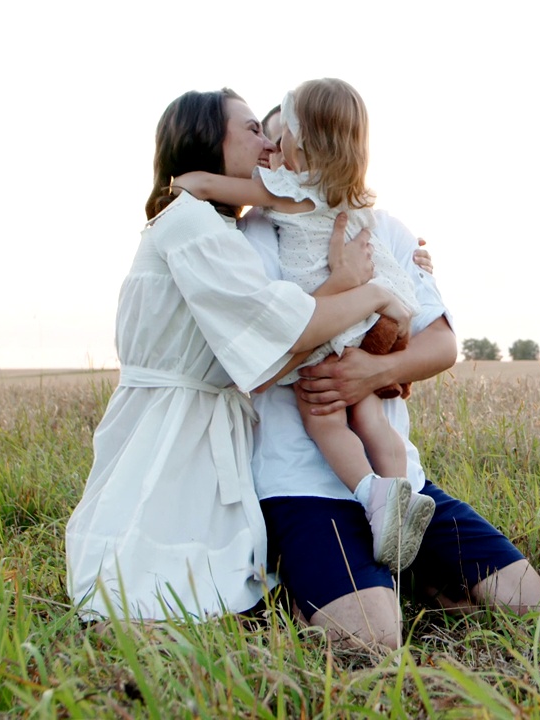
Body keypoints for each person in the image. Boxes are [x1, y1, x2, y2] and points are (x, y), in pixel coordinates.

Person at [64, 88, 411, 622]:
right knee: (150, 596)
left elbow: (272, 337)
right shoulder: (189, 223)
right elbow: (278, 330)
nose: (268, 141)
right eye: (251, 128)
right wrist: (369, 292)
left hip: (211, 422)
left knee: (221, 589)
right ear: (208, 138)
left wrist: (360, 281)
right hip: (172, 428)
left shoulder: (219, 227)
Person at [244, 95, 540, 653]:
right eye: (268, 145)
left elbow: (441, 343)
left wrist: (369, 373)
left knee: (536, 607)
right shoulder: (256, 238)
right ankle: (311, 584)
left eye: (285, 140)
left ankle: (414, 572)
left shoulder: (384, 227)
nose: (277, 156)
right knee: (373, 640)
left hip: (402, 489)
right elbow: (258, 358)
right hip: (304, 487)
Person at [173, 79, 432, 573]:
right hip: (367, 316)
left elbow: (215, 186)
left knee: (323, 418)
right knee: (370, 418)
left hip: (327, 321)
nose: (273, 146)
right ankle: (398, 493)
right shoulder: (351, 200)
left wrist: (185, 184)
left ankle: (373, 496)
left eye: (281, 134)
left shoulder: (288, 194)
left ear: (300, 143)